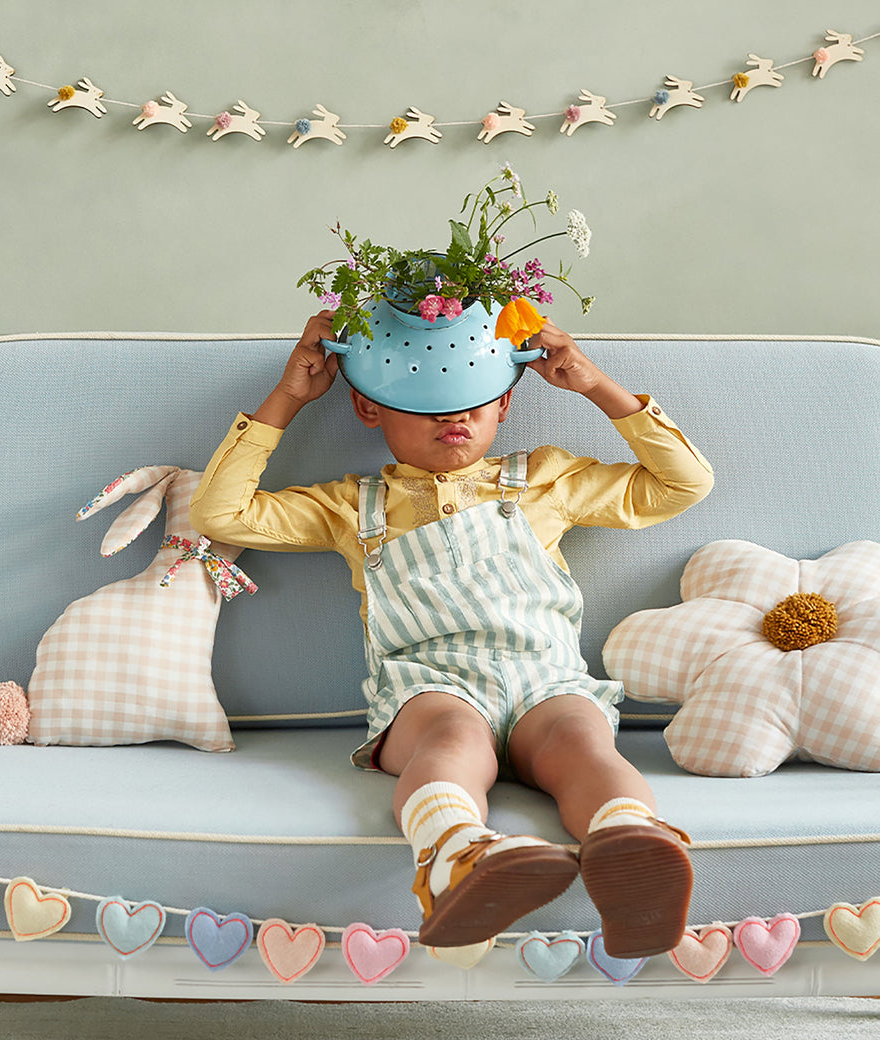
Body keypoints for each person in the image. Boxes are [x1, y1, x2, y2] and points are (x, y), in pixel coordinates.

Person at [190, 309, 714, 957]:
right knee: (454, 737)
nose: (452, 418)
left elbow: (684, 483)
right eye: (426, 402)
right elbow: (220, 513)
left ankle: (632, 848)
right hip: (430, 689)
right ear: (368, 407)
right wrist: (289, 397)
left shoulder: (547, 480)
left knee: (582, 741)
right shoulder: (351, 506)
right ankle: (458, 860)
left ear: (506, 406)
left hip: (545, 683)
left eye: (472, 400)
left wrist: (593, 384)